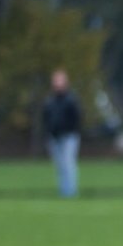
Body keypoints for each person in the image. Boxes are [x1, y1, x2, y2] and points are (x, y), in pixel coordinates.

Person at [42, 68, 81, 198]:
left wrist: (70, 130)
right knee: (60, 165)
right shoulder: (50, 101)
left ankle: (70, 191)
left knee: (68, 163)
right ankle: (63, 191)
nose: (57, 84)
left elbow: (76, 118)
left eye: (60, 80)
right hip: (54, 137)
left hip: (69, 136)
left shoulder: (71, 100)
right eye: (55, 81)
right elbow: (46, 118)